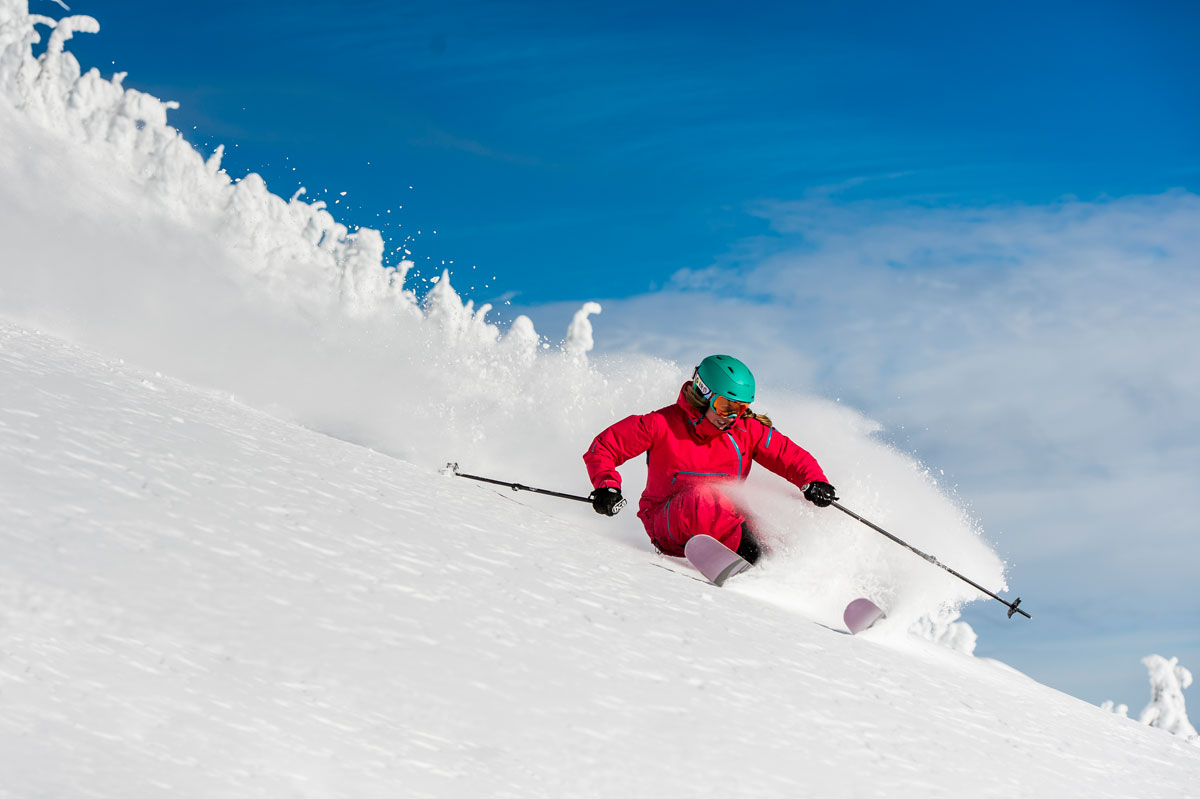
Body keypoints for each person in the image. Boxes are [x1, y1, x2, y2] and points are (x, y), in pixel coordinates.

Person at [583, 354, 837, 564]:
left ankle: (809, 575)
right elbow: (604, 447)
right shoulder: (660, 424)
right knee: (701, 498)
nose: (731, 417)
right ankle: (757, 561)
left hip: (728, 524)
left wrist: (814, 482)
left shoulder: (746, 430)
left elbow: (788, 455)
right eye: (726, 406)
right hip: (667, 522)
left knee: (778, 524)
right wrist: (607, 486)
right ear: (703, 394)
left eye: (740, 409)